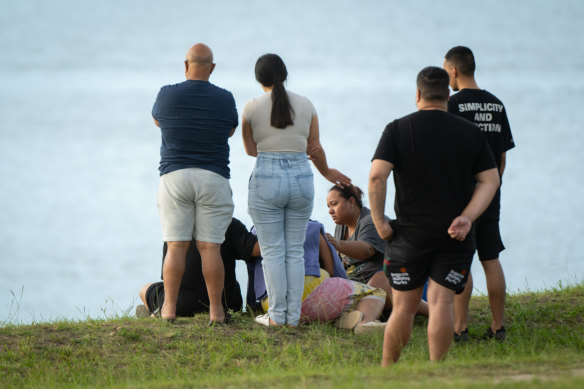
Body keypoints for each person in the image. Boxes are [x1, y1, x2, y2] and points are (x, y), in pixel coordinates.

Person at [368, 66, 500, 365]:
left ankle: (387, 374)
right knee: (441, 303)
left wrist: (379, 223)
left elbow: (377, 177)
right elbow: (490, 180)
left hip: (408, 237)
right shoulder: (470, 133)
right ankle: (436, 373)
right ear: (448, 95)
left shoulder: (397, 129)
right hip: (455, 235)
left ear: (417, 94)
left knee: (403, 307)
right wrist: (467, 217)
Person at [242, 53, 351, 327]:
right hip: (302, 176)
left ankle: (277, 317)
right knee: (294, 250)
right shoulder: (307, 105)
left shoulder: (251, 107)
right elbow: (314, 148)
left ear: (258, 79)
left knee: (272, 251)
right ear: (285, 74)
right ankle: (292, 317)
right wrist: (327, 172)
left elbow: (250, 150)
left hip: (266, 174)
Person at [152, 43, 238, 324]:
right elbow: (231, 130)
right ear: (212, 68)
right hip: (213, 177)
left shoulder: (166, 94)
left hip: (175, 176)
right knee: (210, 248)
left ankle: (168, 309)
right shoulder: (225, 98)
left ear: (185, 65)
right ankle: (216, 312)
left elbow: (157, 122)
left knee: (175, 247)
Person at [444, 46, 516, 342]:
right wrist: (492, 187)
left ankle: (460, 327)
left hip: (461, 195)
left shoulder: (453, 104)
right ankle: (498, 327)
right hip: (491, 192)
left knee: (462, 259)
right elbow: (502, 157)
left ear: (453, 70)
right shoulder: (497, 105)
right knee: (491, 258)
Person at [248, 220, 386, 333]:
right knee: (374, 292)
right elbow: (332, 270)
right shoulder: (312, 227)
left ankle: (339, 319)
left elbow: (254, 276)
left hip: (271, 303)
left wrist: (253, 306)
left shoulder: (257, 229)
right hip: (310, 294)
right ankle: (364, 323)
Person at [325, 185, 428, 317]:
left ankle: (435, 314)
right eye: (328, 206)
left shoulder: (371, 221)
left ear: (351, 202)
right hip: (360, 284)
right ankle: (364, 317)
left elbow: (367, 250)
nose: (330, 211)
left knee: (376, 285)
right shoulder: (341, 228)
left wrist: (337, 244)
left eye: (334, 204)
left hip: (398, 279)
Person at [137, 218, 260, 318]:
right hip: (227, 303)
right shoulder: (230, 224)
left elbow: (168, 277)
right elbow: (258, 249)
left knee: (144, 289)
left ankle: (157, 312)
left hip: (182, 305)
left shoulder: (176, 228)